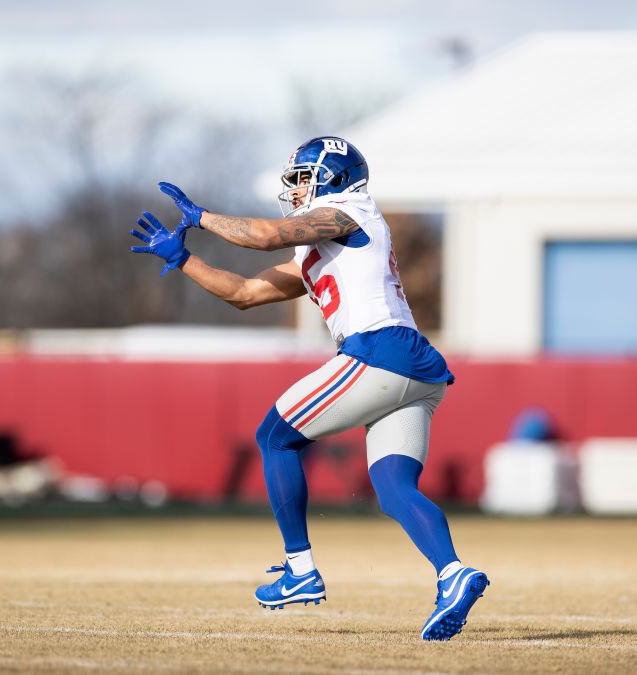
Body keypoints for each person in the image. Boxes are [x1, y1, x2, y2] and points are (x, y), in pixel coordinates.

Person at [129, 136, 488, 641]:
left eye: (302, 177)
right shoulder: (318, 246)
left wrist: (201, 217)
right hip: (414, 369)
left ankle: (300, 569)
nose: (293, 187)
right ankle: (454, 575)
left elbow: (263, 234)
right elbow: (244, 294)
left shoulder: (349, 209)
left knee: (275, 437)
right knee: (394, 488)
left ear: (334, 177)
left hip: (379, 351)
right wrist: (184, 258)